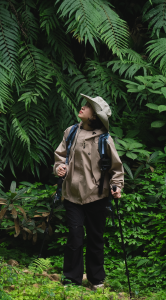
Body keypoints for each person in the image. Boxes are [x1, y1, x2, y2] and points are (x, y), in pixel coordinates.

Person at [53, 94, 124, 289]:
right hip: (72, 195)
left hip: (97, 196)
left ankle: (96, 280)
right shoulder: (71, 132)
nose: (82, 107)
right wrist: (59, 167)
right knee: (75, 237)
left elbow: (116, 168)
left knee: (95, 238)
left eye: (87, 106)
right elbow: (60, 156)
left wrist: (116, 185)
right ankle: (71, 280)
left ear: (94, 117)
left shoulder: (104, 139)